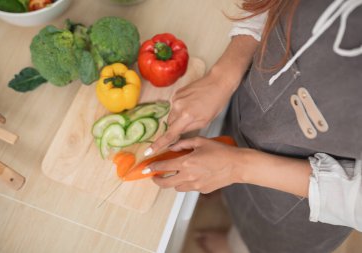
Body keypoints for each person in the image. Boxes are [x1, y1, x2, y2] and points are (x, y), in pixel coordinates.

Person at [142, 0, 362, 252]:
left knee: (259, 244)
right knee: (228, 174)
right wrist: (223, 76)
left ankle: (234, 246)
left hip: (299, 198)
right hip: (253, 105)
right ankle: (225, 195)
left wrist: (238, 166)